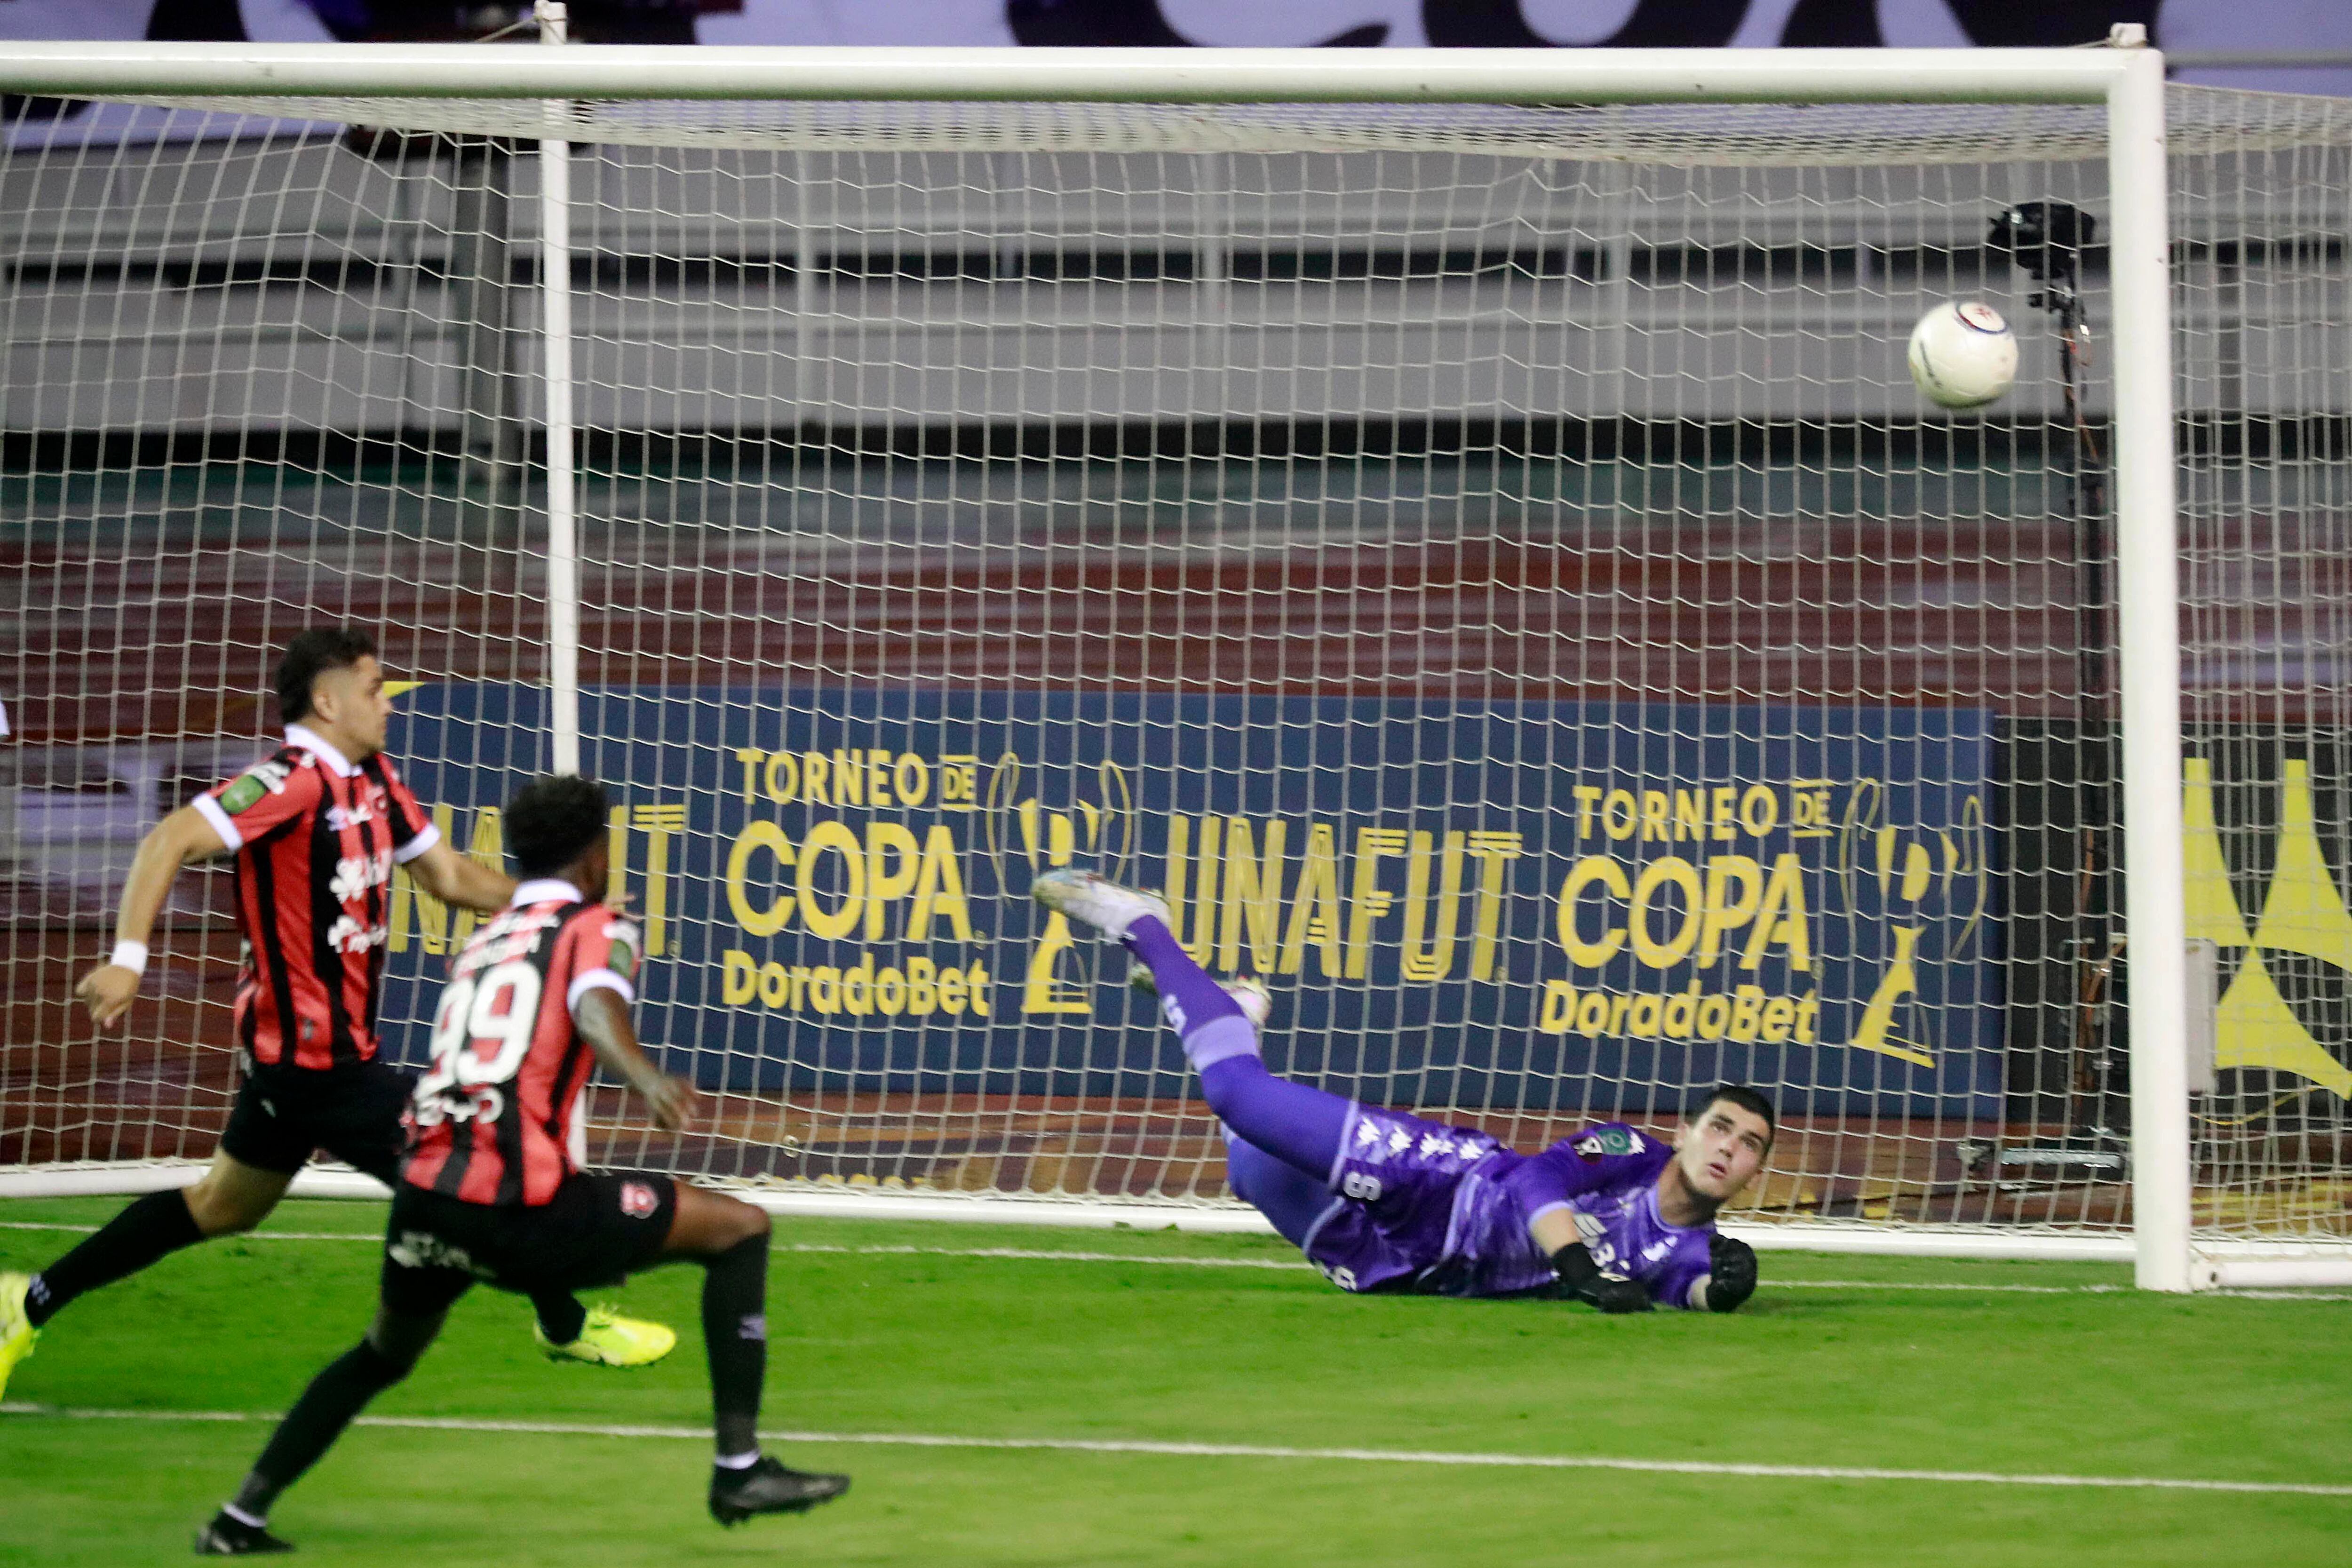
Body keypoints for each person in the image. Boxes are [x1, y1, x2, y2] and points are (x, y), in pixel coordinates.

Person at [0, 629, 670, 1405]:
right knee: (480, 1181)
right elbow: (168, 838)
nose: (387, 703)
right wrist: (128, 957)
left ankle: (27, 1299)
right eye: (375, 688)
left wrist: (562, 905)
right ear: (326, 701)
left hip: (320, 1057)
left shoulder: (375, 778)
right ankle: (567, 1326)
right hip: (313, 1064)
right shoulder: (285, 784)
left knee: (222, 1205)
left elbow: (448, 874)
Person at [193, 774, 849, 1554]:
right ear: (596, 855)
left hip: (425, 1193)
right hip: (518, 1209)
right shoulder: (596, 924)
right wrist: (643, 1076)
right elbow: (594, 1007)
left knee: (380, 1356)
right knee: (741, 1227)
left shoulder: (486, 937)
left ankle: (240, 1516)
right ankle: (739, 1467)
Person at [1034, 868, 1768, 1311]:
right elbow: (1540, 1177)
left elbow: (1693, 1292)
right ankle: (1145, 926)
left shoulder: (1689, 1252)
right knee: (1237, 1099)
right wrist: (1576, 1269)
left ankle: (1238, 1013)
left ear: (1754, 1172)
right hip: (1446, 1185)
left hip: (1418, 1272)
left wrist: (1729, 1292)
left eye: (1749, 1146)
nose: (1728, 1148)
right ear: (1689, 1131)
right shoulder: (1634, 1151)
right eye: (1722, 1127)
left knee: (1253, 1166)